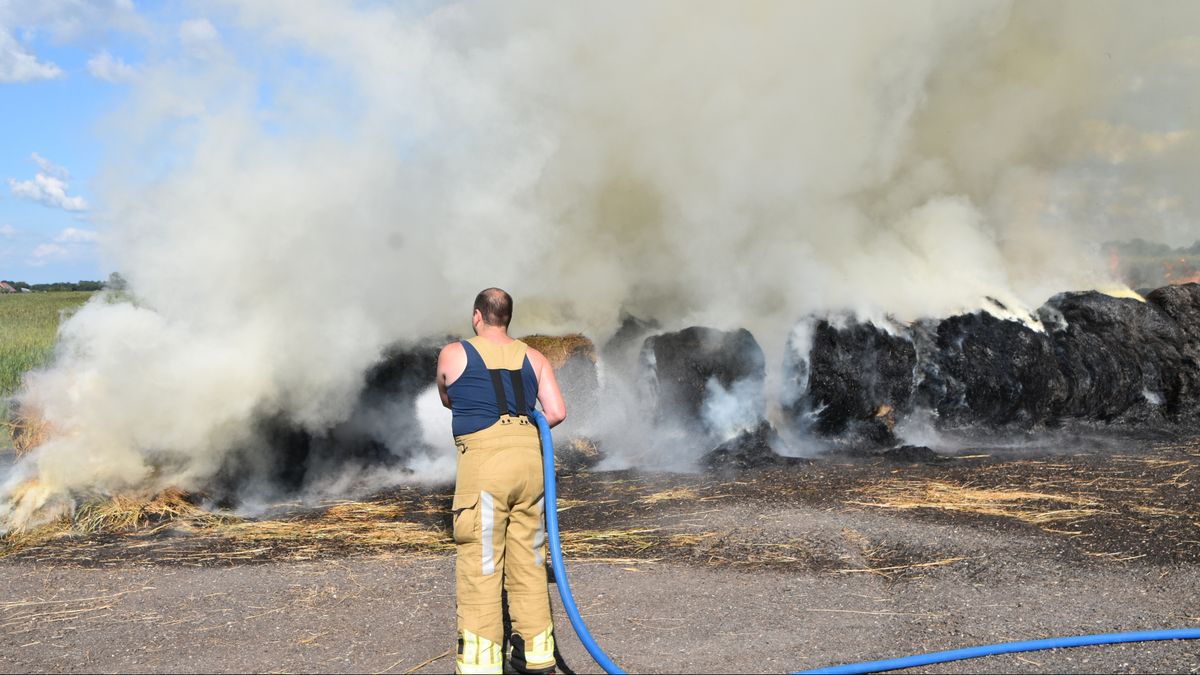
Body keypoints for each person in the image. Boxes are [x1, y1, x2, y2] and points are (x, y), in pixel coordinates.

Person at [437, 287, 567, 675]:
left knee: (482, 562)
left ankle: (480, 664)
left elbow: (448, 398)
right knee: (528, 559)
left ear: (478, 317)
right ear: (507, 318)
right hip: (530, 466)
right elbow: (556, 412)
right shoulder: (534, 356)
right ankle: (537, 656)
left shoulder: (454, 353)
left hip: (485, 469)